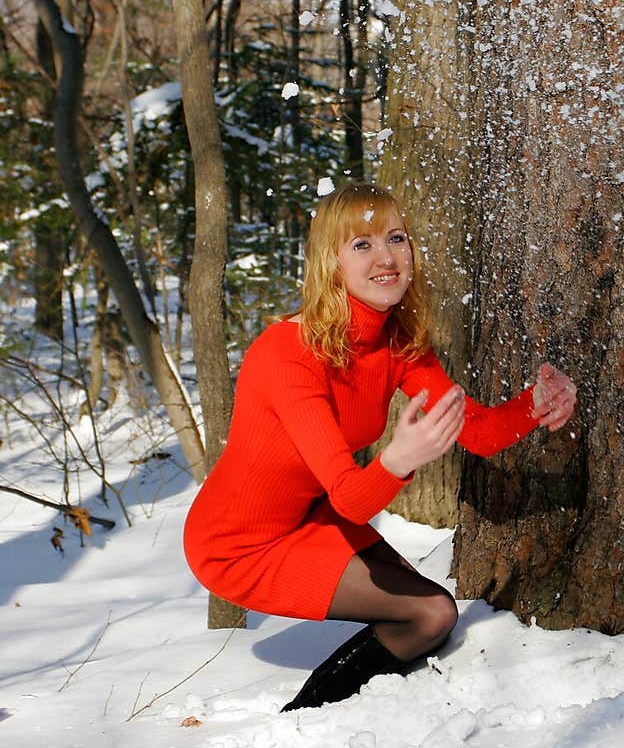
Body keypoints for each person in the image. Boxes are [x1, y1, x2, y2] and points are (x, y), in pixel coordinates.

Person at [182, 180, 577, 712]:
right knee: (431, 613)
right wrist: (400, 458)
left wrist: (538, 403)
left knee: (422, 612)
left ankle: (356, 708)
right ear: (330, 261)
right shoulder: (286, 354)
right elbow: (351, 496)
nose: (387, 257)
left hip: (312, 517)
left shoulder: (397, 344)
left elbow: (479, 433)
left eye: (396, 238)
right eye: (362, 245)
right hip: (238, 546)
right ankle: (303, 720)